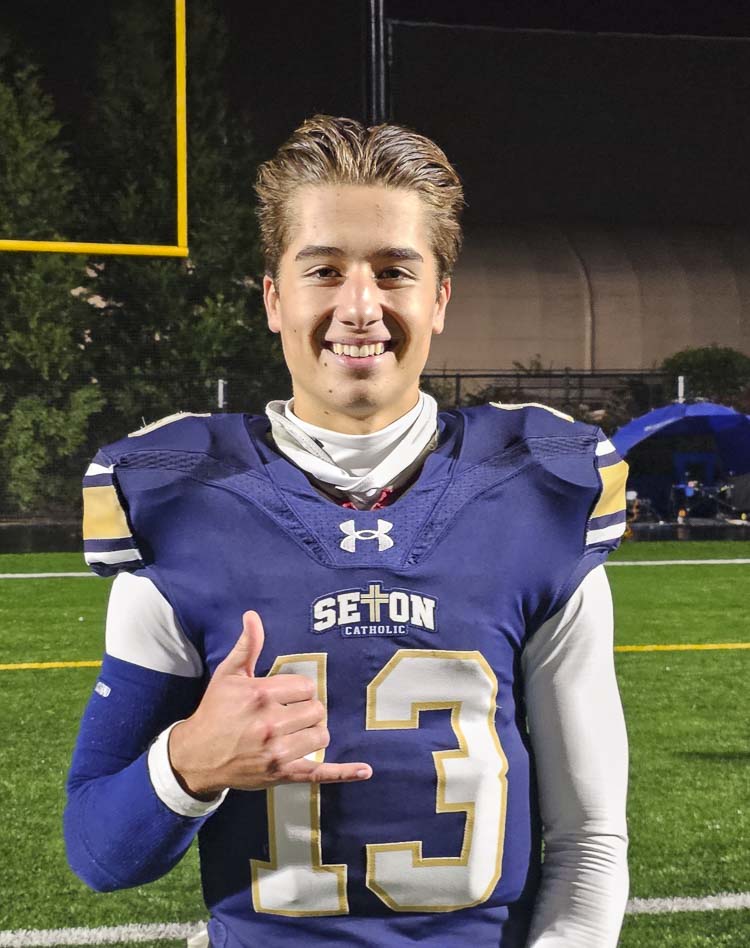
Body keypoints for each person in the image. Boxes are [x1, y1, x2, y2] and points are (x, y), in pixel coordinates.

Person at [65, 115, 629, 947]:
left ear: (438, 299)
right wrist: (185, 764)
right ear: (273, 297)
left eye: (394, 272)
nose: (358, 306)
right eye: (323, 270)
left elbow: (589, 844)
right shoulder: (178, 501)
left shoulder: (538, 491)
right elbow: (98, 853)